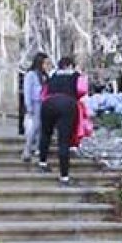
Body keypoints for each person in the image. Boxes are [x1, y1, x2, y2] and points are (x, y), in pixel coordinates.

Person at [39, 56, 82, 185]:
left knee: (46, 133)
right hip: (67, 103)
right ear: (70, 65)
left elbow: (44, 91)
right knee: (64, 140)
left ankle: (42, 161)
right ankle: (64, 176)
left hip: (48, 103)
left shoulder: (52, 75)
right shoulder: (76, 75)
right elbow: (82, 91)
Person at [21, 53, 50, 162]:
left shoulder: (45, 75)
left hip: (44, 102)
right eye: (45, 63)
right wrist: (28, 106)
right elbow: (27, 91)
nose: (47, 65)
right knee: (35, 126)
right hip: (35, 102)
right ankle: (27, 150)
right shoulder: (31, 75)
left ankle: (38, 148)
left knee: (42, 127)